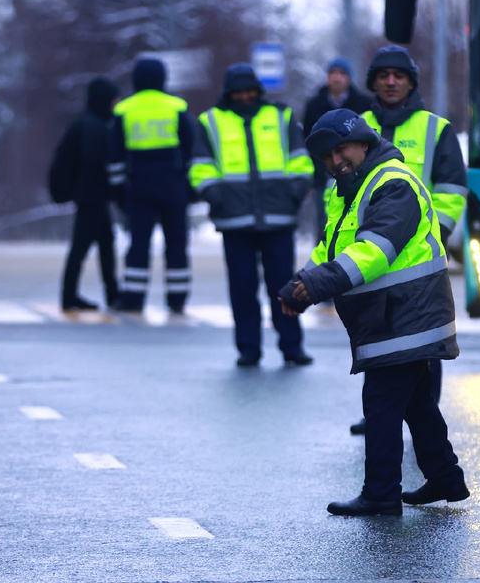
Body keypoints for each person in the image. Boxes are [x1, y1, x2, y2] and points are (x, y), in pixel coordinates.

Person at [279, 109, 469, 516]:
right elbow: (331, 248)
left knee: (381, 404)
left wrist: (314, 286)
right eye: (327, 156)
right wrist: (301, 281)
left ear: (364, 143)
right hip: (396, 316)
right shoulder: (350, 189)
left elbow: (374, 252)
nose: (335, 161)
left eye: (341, 150)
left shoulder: (393, 183)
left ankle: (381, 493)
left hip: (405, 315)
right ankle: (446, 477)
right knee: (416, 402)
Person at [347, 45, 469, 434]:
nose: (391, 81)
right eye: (383, 75)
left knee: (422, 340)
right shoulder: (354, 124)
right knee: (375, 335)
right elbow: (340, 192)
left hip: (418, 258)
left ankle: (422, 418)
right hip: (370, 255)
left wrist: (438, 234)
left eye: (398, 75)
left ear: (411, 81)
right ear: (373, 82)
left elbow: (451, 190)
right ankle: (379, 414)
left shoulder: (436, 128)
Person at [190, 63, 314, 367]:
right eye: (238, 92)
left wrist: (294, 193)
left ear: (258, 91)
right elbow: (199, 165)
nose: (245, 97)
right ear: (229, 94)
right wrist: (215, 196)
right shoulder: (210, 121)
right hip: (234, 220)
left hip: (278, 217)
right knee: (242, 287)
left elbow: (301, 160)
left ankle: (292, 346)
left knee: (285, 287)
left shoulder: (281, 117)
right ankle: (248, 348)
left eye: (250, 91)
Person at [108, 58, 193, 313]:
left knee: (139, 245)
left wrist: (119, 192)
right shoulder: (177, 107)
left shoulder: (124, 110)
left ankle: (133, 298)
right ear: (162, 79)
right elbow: (190, 149)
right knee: (176, 243)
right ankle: (177, 298)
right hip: (173, 185)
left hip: (139, 187)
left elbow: (114, 157)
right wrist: (189, 187)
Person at [50, 76, 121, 311]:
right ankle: (74, 296)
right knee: (84, 247)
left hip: (91, 196)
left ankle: (107, 293)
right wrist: (114, 184)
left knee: (103, 245)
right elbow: (95, 164)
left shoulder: (85, 123)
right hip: (92, 197)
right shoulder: (94, 127)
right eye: (113, 100)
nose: (116, 105)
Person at [301, 57, 372, 240]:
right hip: (322, 174)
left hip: (356, 173)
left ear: (348, 78)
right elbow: (306, 142)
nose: (337, 78)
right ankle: (323, 264)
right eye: (333, 73)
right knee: (324, 224)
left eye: (341, 73)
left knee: (357, 219)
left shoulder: (364, 104)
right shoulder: (314, 105)